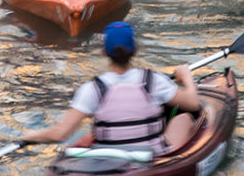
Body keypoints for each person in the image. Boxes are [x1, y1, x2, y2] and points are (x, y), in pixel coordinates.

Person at [19, 21, 203, 155]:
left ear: (104, 51)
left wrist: (33, 135)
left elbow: (60, 134)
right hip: (150, 157)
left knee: (95, 132)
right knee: (184, 116)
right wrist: (186, 76)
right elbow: (193, 104)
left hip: (107, 159)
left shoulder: (92, 89)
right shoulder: (153, 80)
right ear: (135, 50)